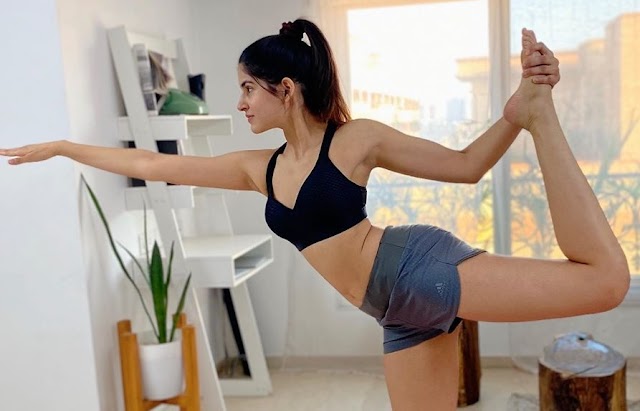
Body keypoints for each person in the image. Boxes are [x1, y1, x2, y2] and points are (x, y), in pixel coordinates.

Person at [0, 19, 629, 410]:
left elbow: (465, 166)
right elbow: (159, 166)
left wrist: (518, 116)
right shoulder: (260, 168)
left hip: (418, 268)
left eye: (248, 87)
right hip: (397, 311)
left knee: (605, 281)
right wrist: (64, 147)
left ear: (286, 90)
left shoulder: (353, 141)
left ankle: (542, 117)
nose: (240, 101)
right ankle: (532, 112)